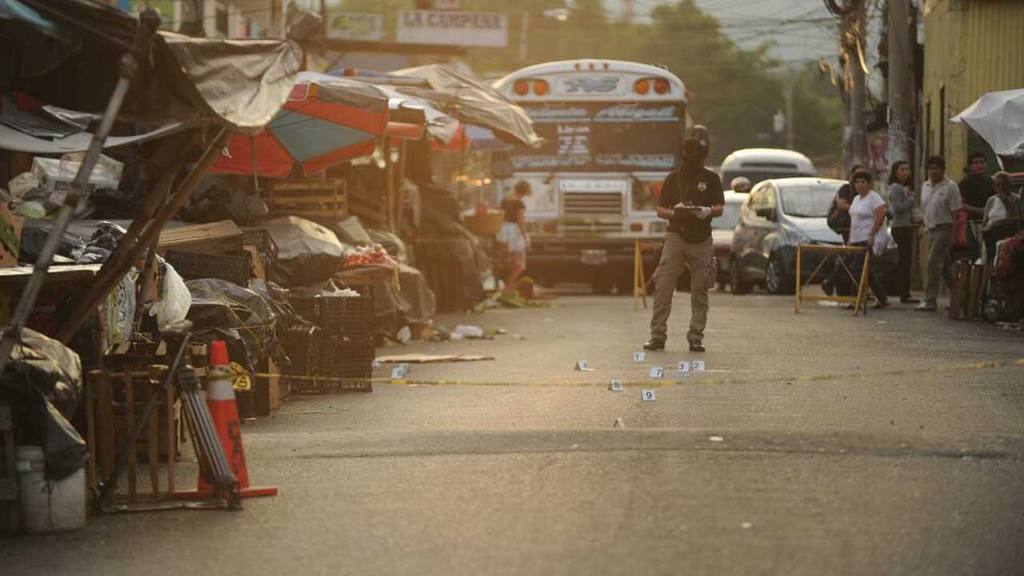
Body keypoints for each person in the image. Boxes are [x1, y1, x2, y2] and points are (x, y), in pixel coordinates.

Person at [644, 136, 724, 353]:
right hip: (676, 236)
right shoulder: (672, 179)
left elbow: (719, 207)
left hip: (702, 237)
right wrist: (676, 212)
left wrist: (706, 211)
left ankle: (696, 337)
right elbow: (661, 210)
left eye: (694, 159)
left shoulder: (711, 178)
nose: (690, 163)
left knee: (700, 289)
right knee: (663, 286)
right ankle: (657, 336)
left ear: (702, 158)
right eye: (687, 158)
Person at [916, 155, 961, 312]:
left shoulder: (950, 186)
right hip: (930, 229)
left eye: (937, 168)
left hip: (945, 227)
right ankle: (959, 296)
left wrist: (952, 232)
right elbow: (925, 207)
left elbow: (956, 211)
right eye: (931, 168)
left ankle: (930, 300)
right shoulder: (925, 185)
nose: (934, 171)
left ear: (943, 170)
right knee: (943, 266)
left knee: (932, 263)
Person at [847, 169, 889, 308]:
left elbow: (881, 216)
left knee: (857, 269)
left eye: (863, 182)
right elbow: (854, 220)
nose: (860, 185)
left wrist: (872, 233)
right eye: (857, 182)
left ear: (869, 183)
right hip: (855, 238)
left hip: (867, 238)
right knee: (866, 271)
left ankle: (855, 300)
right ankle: (882, 297)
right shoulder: (855, 199)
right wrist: (850, 239)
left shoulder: (874, 197)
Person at [822, 164, 865, 295]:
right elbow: (841, 204)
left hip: (861, 229)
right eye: (857, 177)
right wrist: (859, 210)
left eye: (863, 177)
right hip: (849, 228)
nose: (860, 181)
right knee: (855, 257)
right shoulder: (846, 189)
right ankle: (834, 283)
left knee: (858, 259)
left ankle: (831, 282)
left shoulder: (866, 191)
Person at [887, 160, 919, 303]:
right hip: (900, 228)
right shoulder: (896, 188)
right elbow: (898, 208)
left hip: (906, 226)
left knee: (906, 261)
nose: (905, 172)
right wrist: (911, 199)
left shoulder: (903, 187)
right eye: (902, 170)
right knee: (905, 261)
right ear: (895, 172)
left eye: (907, 169)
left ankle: (905, 292)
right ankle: (904, 294)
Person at [496, 180, 532, 292]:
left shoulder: (504, 201)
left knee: (505, 262)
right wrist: (526, 239)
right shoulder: (519, 204)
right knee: (519, 265)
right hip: (514, 234)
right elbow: (520, 222)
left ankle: (503, 286)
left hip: (502, 232)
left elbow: (499, 216)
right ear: (524, 192)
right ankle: (507, 287)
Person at [981, 171, 1022, 263]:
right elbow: (985, 220)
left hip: (1006, 232)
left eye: (1003, 184)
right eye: (997, 185)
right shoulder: (991, 200)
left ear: (1008, 185)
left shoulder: (1016, 199)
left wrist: (1005, 200)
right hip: (989, 233)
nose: (1000, 187)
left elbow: (1016, 218)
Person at [959, 152, 995, 222]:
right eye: (975, 163)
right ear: (970, 166)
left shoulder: (991, 182)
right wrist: (979, 211)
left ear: (986, 164)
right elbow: (959, 204)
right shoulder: (964, 183)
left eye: (982, 162)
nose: (979, 165)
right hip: (971, 221)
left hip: (990, 220)